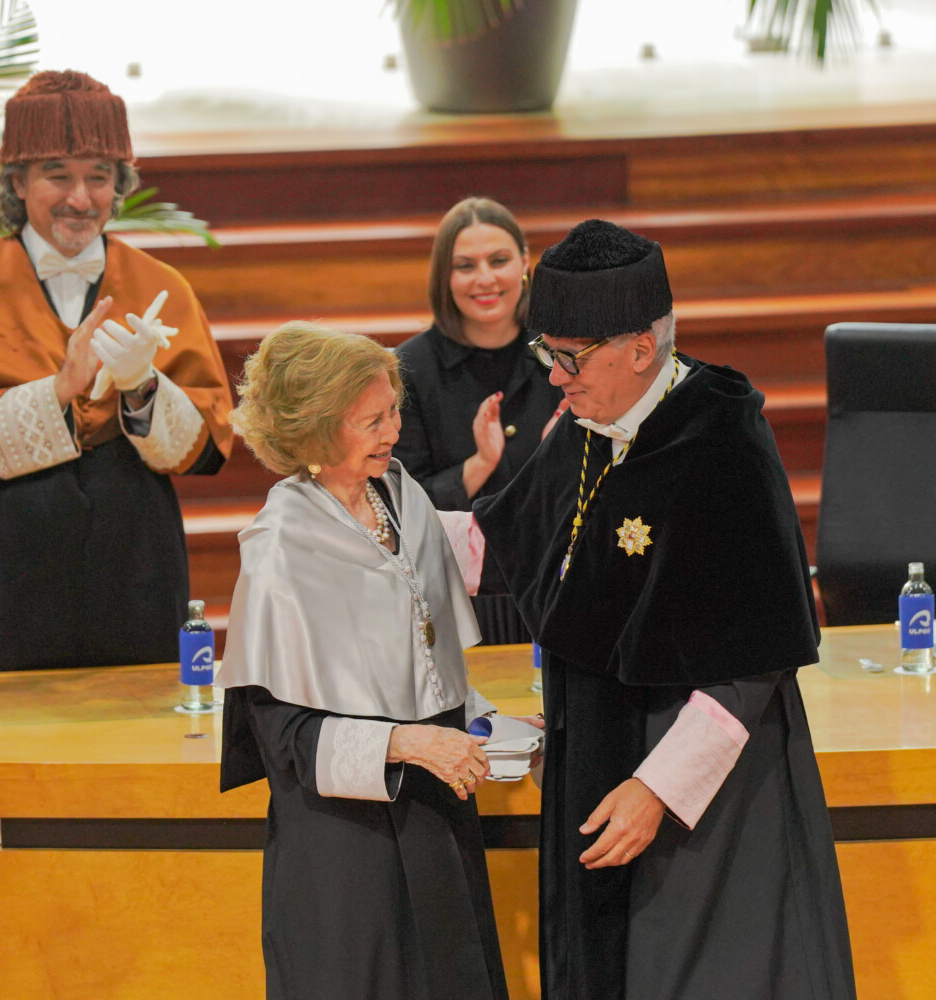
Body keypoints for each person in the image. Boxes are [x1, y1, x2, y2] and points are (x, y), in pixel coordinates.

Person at [472, 221, 857, 999]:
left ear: (640, 348)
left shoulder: (723, 443)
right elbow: (508, 549)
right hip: (594, 752)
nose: (553, 377)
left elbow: (755, 660)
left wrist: (658, 789)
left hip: (700, 797)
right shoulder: (584, 429)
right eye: (547, 353)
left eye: (568, 357)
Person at [0, 69, 233, 675]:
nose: (81, 197)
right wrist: (57, 391)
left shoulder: (164, 288)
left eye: (98, 177)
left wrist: (141, 388)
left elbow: (208, 448)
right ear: (19, 182)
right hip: (6, 577)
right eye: (58, 175)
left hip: (135, 569)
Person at [219, 322, 518, 1000]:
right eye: (372, 420)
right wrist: (409, 742)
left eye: (394, 412)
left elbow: (420, 659)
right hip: (347, 851)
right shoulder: (280, 550)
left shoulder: (400, 494)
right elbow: (284, 737)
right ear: (317, 433)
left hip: (435, 818)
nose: (394, 430)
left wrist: (486, 724)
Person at [394, 196, 564, 644]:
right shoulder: (409, 369)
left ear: (526, 263)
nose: (485, 278)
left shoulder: (563, 354)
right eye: (466, 265)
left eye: (500, 260)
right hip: (452, 598)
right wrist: (479, 465)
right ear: (444, 277)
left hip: (556, 586)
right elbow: (395, 506)